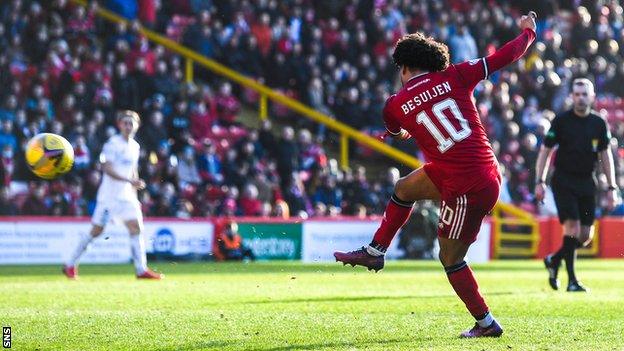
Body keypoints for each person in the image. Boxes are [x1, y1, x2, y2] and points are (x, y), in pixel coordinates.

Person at [334, 12, 538, 338]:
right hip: (475, 171)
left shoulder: (395, 103)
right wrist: (528, 34)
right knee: (404, 187)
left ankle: (486, 324)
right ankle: (375, 252)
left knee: (449, 256)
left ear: (403, 68)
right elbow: (505, 56)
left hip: (465, 185)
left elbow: (396, 129)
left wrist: (401, 131)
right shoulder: (457, 75)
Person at [535, 78, 619, 292]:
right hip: (563, 180)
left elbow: (605, 154)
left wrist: (612, 186)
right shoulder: (561, 121)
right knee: (571, 227)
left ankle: (554, 260)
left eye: (585, 94)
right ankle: (572, 281)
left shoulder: (598, 123)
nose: (581, 98)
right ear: (571, 96)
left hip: (587, 181)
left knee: (584, 236)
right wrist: (540, 181)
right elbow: (545, 151)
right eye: (577, 94)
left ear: (592, 97)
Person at [63, 110, 163, 280]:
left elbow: (133, 171)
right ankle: (70, 264)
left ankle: (141, 270)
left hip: (127, 196)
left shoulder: (135, 146)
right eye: (125, 123)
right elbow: (107, 168)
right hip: (109, 197)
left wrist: (135, 184)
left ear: (137, 126)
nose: (128, 126)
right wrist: (129, 180)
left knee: (136, 227)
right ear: (119, 125)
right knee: (97, 230)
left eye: (131, 123)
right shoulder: (112, 144)